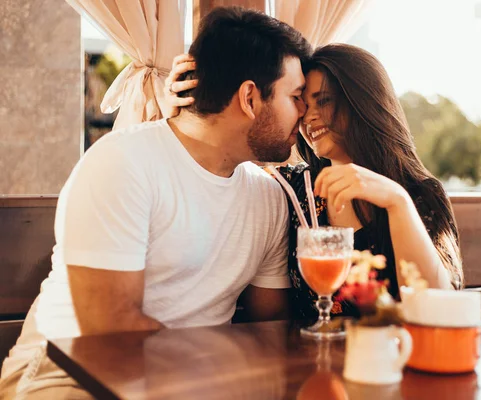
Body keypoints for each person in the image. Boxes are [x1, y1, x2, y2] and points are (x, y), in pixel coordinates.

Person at [0, 7, 311, 398]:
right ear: (249, 97)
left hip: (192, 380)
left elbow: (271, 328)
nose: (305, 111)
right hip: (66, 374)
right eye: (296, 96)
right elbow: (113, 333)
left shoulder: (269, 199)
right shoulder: (123, 163)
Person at [166, 43, 463, 321]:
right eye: (303, 105)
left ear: (362, 100)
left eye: (324, 101)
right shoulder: (291, 190)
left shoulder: (417, 194)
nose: (309, 118)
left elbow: (439, 309)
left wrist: (397, 203)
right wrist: (190, 109)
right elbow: (218, 162)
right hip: (313, 365)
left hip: (392, 361)